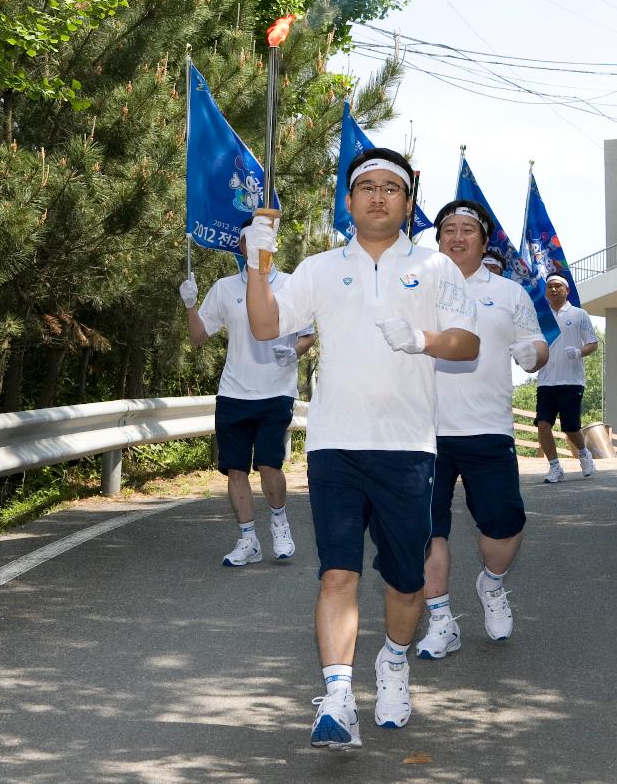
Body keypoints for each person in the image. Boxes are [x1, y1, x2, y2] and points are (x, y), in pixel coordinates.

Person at [243, 147, 479, 749]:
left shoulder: (435, 267)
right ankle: (338, 695)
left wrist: (423, 338)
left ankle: (394, 664)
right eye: (365, 187)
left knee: (405, 583)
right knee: (336, 575)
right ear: (348, 202)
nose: (377, 196)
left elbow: (467, 343)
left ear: (407, 202)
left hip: (406, 448)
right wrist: (256, 267)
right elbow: (268, 326)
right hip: (335, 445)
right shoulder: (320, 269)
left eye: (390, 188)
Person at [415, 200, 548, 661]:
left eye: (467, 229)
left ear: (484, 240)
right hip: (422, 430)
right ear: (438, 239)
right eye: (447, 228)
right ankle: (440, 620)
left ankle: (491, 585)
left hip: (487, 428)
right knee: (427, 532)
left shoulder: (509, 293)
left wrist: (535, 354)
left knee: (504, 524)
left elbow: (536, 341)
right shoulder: (417, 288)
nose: (456, 236)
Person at [180, 225, 315, 567]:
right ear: (240, 245)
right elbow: (198, 338)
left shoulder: (290, 285)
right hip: (234, 393)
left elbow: (308, 335)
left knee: (269, 463)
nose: (253, 244)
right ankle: (248, 540)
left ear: (271, 243)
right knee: (235, 470)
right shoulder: (225, 288)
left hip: (275, 391)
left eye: (260, 238)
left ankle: (280, 526)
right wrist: (190, 305)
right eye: (246, 239)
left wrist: (295, 351)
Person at [533, 273, 599, 482]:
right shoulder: (540, 316)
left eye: (557, 287)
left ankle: (583, 454)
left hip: (571, 380)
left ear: (567, 290)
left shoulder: (579, 314)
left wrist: (580, 352)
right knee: (543, 424)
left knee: (571, 427)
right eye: (550, 287)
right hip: (546, 380)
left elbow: (593, 343)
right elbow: (532, 342)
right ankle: (554, 466)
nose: (553, 290)